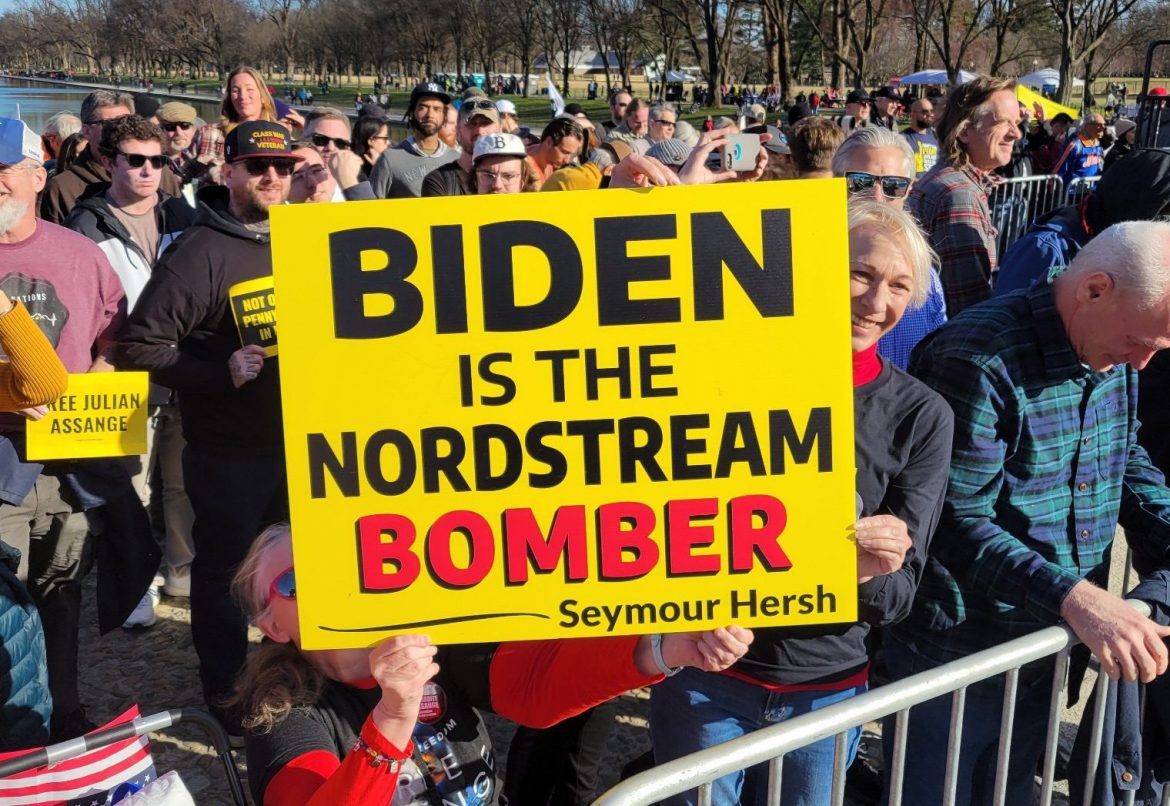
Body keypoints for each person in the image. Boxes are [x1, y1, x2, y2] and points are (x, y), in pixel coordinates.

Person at [651, 200, 953, 806]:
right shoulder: (726, 375)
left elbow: (898, 596)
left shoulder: (922, 416)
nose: (876, 302)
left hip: (825, 692)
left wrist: (861, 566)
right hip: (706, 675)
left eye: (899, 286)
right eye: (860, 274)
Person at [887, 220, 1170, 806]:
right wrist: (1079, 600)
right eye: (1140, 341)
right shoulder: (976, 355)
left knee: (1011, 788)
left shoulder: (1111, 346)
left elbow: (1122, 453)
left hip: (1046, 644)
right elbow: (952, 520)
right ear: (1094, 289)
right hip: (959, 654)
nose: (1142, 363)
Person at [232, 522, 754, 805]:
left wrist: (665, 647)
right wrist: (393, 715)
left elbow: (537, 687)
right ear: (272, 626)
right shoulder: (284, 710)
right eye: (295, 583)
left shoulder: (428, 640)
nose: (324, 586)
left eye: (333, 565)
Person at [116, 121, 303, 733]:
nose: (271, 177)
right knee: (225, 573)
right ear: (229, 172)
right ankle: (226, 693)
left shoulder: (305, 238)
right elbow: (138, 344)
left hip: (303, 444)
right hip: (229, 453)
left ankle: (291, 678)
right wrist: (219, 373)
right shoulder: (201, 251)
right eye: (257, 166)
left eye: (282, 167)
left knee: (298, 571)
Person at [0, 116, 130, 740]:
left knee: (63, 589)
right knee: (4, 599)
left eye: (4, 170)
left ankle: (66, 715)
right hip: (2, 459)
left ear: (36, 174)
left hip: (69, 458)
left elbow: (117, 331)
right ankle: (14, 730)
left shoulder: (79, 253)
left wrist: (101, 374)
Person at [63, 115, 198, 610]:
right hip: (123, 372)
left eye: (157, 161)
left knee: (183, 483)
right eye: (136, 160)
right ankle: (135, 585)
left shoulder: (183, 214)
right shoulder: (84, 224)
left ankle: (182, 571)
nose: (147, 171)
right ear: (109, 162)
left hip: (182, 366)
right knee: (131, 485)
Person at [832, 126, 947, 370]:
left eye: (893, 186)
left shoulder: (927, 279)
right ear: (835, 182)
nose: (876, 198)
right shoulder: (802, 265)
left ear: (908, 192)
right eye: (860, 182)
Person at [908, 77, 1020, 316]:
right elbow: (968, 308)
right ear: (965, 131)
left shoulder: (952, 182)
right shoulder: (959, 195)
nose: (1016, 133)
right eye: (1003, 123)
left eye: (1017, 123)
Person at [41, 89, 178, 224]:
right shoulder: (62, 188)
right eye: (109, 124)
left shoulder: (160, 174)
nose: (120, 130)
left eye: (127, 121)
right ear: (86, 131)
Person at [188, 66, 280, 187]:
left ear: (263, 96)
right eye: (236, 91)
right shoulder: (209, 134)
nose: (243, 96)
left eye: (250, 89)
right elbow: (182, 178)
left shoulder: (279, 137)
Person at [369, 82, 458, 198]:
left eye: (437, 109)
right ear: (411, 112)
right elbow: (370, 205)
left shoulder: (456, 160)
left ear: (444, 116)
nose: (430, 115)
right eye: (423, 108)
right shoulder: (389, 160)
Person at [422, 98, 500, 197]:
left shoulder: (514, 177)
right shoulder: (438, 181)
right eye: (471, 124)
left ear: (500, 130)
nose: (479, 131)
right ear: (458, 132)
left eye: (485, 123)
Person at [1051, 113, 1105, 192]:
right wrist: (1053, 185)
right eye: (1099, 125)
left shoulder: (1098, 146)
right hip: (1071, 194)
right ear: (1087, 126)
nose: (1103, 127)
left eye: (1104, 124)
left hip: (1091, 193)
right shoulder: (1075, 145)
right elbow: (1059, 167)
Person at [528, 117, 585, 182]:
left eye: (570, 154)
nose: (567, 161)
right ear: (549, 142)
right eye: (564, 152)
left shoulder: (549, 161)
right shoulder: (524, 169)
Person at [901, 98, 938, 177]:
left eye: (932, 111)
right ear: (912, 114)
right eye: (925, 112)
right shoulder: (903, 139)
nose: (930, 114)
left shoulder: (936, 137)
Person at [349, 115, 391, 182]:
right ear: (371, 141)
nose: (388, 142)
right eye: (385, 138)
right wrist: (379, 168)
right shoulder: (357, 173)